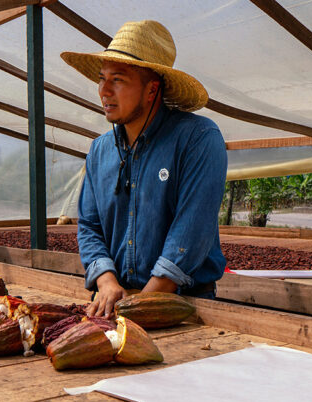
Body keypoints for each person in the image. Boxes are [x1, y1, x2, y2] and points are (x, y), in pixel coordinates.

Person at [60, 20, 227, 318]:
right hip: (115, 302)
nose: (104, 91)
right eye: (102, 79)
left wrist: (141, 306)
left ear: (152, 90)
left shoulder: (197, 138)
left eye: (118, 80)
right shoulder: (100, 150)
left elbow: (192, 228)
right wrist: (107, 281)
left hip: (183, 304)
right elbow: (89, 226)